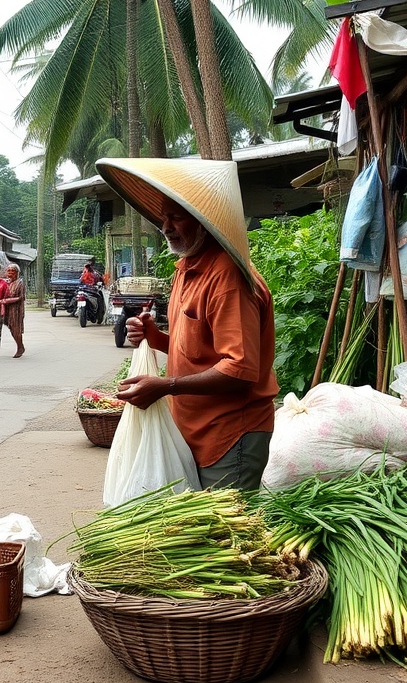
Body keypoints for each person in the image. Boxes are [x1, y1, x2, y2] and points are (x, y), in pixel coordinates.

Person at [96, 157, 278, 491]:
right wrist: (156, 337)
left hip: (228, 435)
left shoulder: (227, 279)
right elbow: (199, 348)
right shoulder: (186, 269)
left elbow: (240, 368)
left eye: (176, 216)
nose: (165, 226)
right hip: (192, 428)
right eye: (164, 216)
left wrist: (165, 386)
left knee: (226, 536)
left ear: (205, 221)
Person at [0, 263, 26, 358]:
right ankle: (20, 346)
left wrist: (6, 301)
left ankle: (20, 347)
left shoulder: (20, 282)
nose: (10, 273)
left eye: (13, 271)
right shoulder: (6, 282)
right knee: (11, 328)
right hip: (7, 309)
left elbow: (20, 297)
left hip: (16, 309)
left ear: (17, 273)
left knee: (16, 328)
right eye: (9, 270)